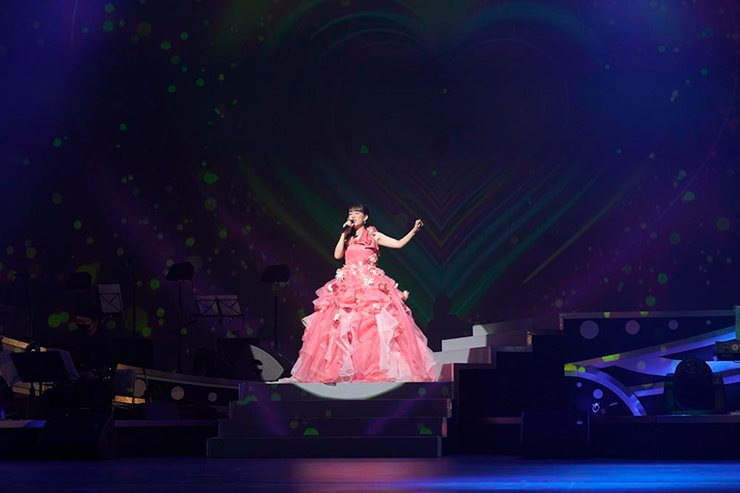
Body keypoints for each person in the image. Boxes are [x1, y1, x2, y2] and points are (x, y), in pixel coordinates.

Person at [287, 204, 436, 383]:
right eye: (350, 213)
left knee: (370, 326)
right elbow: (337, 255)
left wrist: (413, 230)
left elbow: (398, 244)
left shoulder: (373, 235)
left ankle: (373, 367)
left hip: (369, 286)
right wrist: (343, 234)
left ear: (365, 217)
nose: (353, 215)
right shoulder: (348, 237)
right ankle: (343, 368)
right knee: (342, 326)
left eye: (357, 213)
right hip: (347, 286)